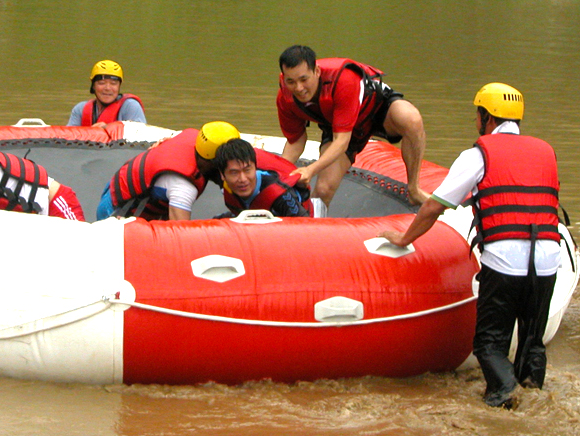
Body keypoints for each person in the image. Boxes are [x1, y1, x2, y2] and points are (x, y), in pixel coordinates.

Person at [378, 83, 562, 408]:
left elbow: (435, 206)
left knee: (489, 345)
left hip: (505, 263)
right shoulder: (545, 151)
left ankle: (505, 397)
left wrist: (403, 238)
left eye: (477, 116)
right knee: (532, 343)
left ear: (485, 117)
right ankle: (534, 396)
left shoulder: (479, 154)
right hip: (548, 260)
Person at [276, 45, 428, 208]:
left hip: (376, 110)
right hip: (338, 125)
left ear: (317, 72)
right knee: (323, 190)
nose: (299, 88)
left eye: (304, 79)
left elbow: (341, 142)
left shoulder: (344, 80)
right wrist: (277, 176)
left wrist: (310, 170)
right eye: (291, 81)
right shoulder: (285, 98)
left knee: (411, 119)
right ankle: (312, 228)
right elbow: (295, 141)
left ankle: (414, 189)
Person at [97, 121, 240, 221]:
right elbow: (179, 235)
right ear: (215, 164)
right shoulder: (183, 187)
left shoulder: (191, 135)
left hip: (118, 182)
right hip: (115, 210)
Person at [213, 138, 313, 218]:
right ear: (222, 175)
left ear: (255, 168)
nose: (243, 179)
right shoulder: (228, 190)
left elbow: (305, 226)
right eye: (234, 173)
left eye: (247, 170)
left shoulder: (278, 193)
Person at [67, 59, 146, 127]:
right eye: (101, 83)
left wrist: (108, 128)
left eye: (113, 83)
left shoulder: (130, 106)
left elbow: (140, 134)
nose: (108, 88)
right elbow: (68, 135)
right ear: (93, 86)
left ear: (119, 86)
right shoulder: (80, 109)